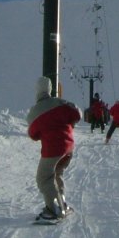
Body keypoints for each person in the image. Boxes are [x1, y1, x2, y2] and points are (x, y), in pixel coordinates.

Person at [27, 76, 81, 220]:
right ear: (50, 90)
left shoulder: (35, 112)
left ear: (37, 91)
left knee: (44, 178)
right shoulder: (60, 103)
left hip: (53, 149)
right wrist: (70, 124)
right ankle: (62, 203)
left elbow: (33, 134)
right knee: (57, 174)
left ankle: (54, 210)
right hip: (69, 147)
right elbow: (77, 113)